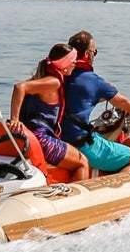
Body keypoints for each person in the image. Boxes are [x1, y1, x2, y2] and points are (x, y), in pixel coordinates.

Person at [59, 30, 130, 173]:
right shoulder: (93, 81)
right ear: (86, 54)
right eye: (94, 52)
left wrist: (100, 96)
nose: (94, 55)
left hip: (59, 140)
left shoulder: (59, 75)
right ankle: (114, 188)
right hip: (81, 144)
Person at [9, 43, 90, 182]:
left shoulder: (44, 78)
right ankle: (77, 200)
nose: (75, 64)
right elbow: (19, 87)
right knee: (82, 162)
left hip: (32, 135)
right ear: (64, 63)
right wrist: (14, 119)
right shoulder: (53, 82)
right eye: (73, 61)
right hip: (41, 139)